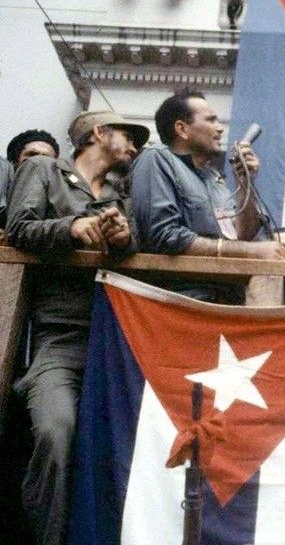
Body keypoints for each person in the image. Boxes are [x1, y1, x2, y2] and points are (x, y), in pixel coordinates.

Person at [5, 110, 147, 545]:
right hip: (60, 336)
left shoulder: (120, 196)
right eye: (127, 134)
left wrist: (123, 237)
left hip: (112, 341)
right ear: (98, 133)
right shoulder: (44, 169)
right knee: (55, 431)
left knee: (119, 448)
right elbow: (19, 227)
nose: (134, 146)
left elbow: (138, 244)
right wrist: (72, 226)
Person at [129, 89, 285, 303]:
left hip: (228, 300)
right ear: (182, 129)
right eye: (211, 120)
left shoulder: (216, 180)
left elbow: (246, 236)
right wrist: (251, 252)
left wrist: (244, 182)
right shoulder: (156, 160)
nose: (220, 128)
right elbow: (165, 237)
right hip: (180, 300)